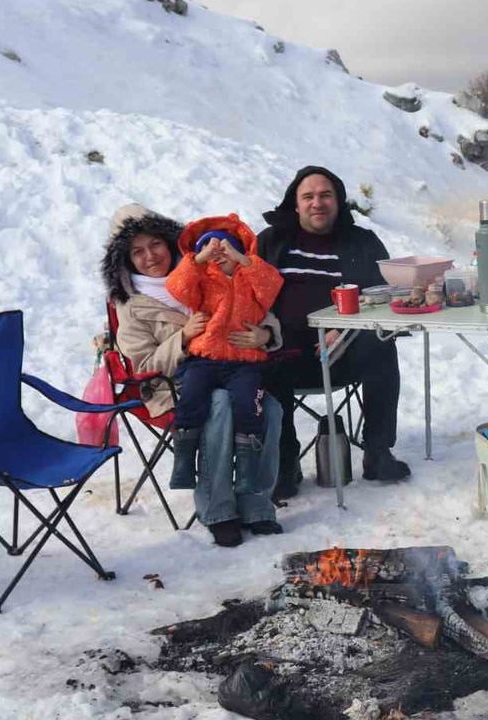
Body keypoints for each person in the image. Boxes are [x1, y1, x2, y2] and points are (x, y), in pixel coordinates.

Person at [102, 204, 286, 547]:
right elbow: (142, 365)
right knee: (217, 404)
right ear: (126, 260)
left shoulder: (204, 270)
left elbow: (256, 303)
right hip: (171, 385)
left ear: (169, 243)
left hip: (235, 368)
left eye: (155, 244)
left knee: (270, 408)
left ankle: (256, 504)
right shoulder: (130, 305)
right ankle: (218, 511)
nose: (150, 256)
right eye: (137, 252)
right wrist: (183, 337)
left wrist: (266, 335)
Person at [257, 166, 411, 496]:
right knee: (265, 364)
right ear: (295, 204)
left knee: (381, 347)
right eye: (308, 196)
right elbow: (246, 296)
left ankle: (378, 452)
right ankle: (285, 465)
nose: (317, 203)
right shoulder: (271, 242)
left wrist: (348, 327)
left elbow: (385, 298)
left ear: (339, 201)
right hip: (286, 348)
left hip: (346, 349)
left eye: (326, 195)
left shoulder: (363, 242)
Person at [165, 216, 282, 500]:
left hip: (244, 362)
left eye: (225, 252)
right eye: (213, 254)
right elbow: (176, 287)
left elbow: (272, 285)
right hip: (205, 358)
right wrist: (199, 259)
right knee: (190, 396)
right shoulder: (203, 281)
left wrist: (244, 261)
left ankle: (246, 469)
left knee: (248, 404)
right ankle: (182, 461)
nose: (220, 258)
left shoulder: (252, 280)